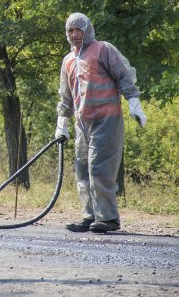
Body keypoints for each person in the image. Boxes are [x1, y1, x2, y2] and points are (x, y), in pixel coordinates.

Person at [55, 13, 147, 233]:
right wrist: (62, 123)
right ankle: (90, 215)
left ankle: (108, 218)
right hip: (82, 123)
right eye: (71, 31)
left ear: (88, 31)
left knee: (99, 168)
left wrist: (134, 103)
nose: (75, 35)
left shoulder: (103, 49)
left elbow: (123, 76)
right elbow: (66, 96)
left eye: (79, 30)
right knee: (82, 169)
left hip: (106, 118)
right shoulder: (68, 60)